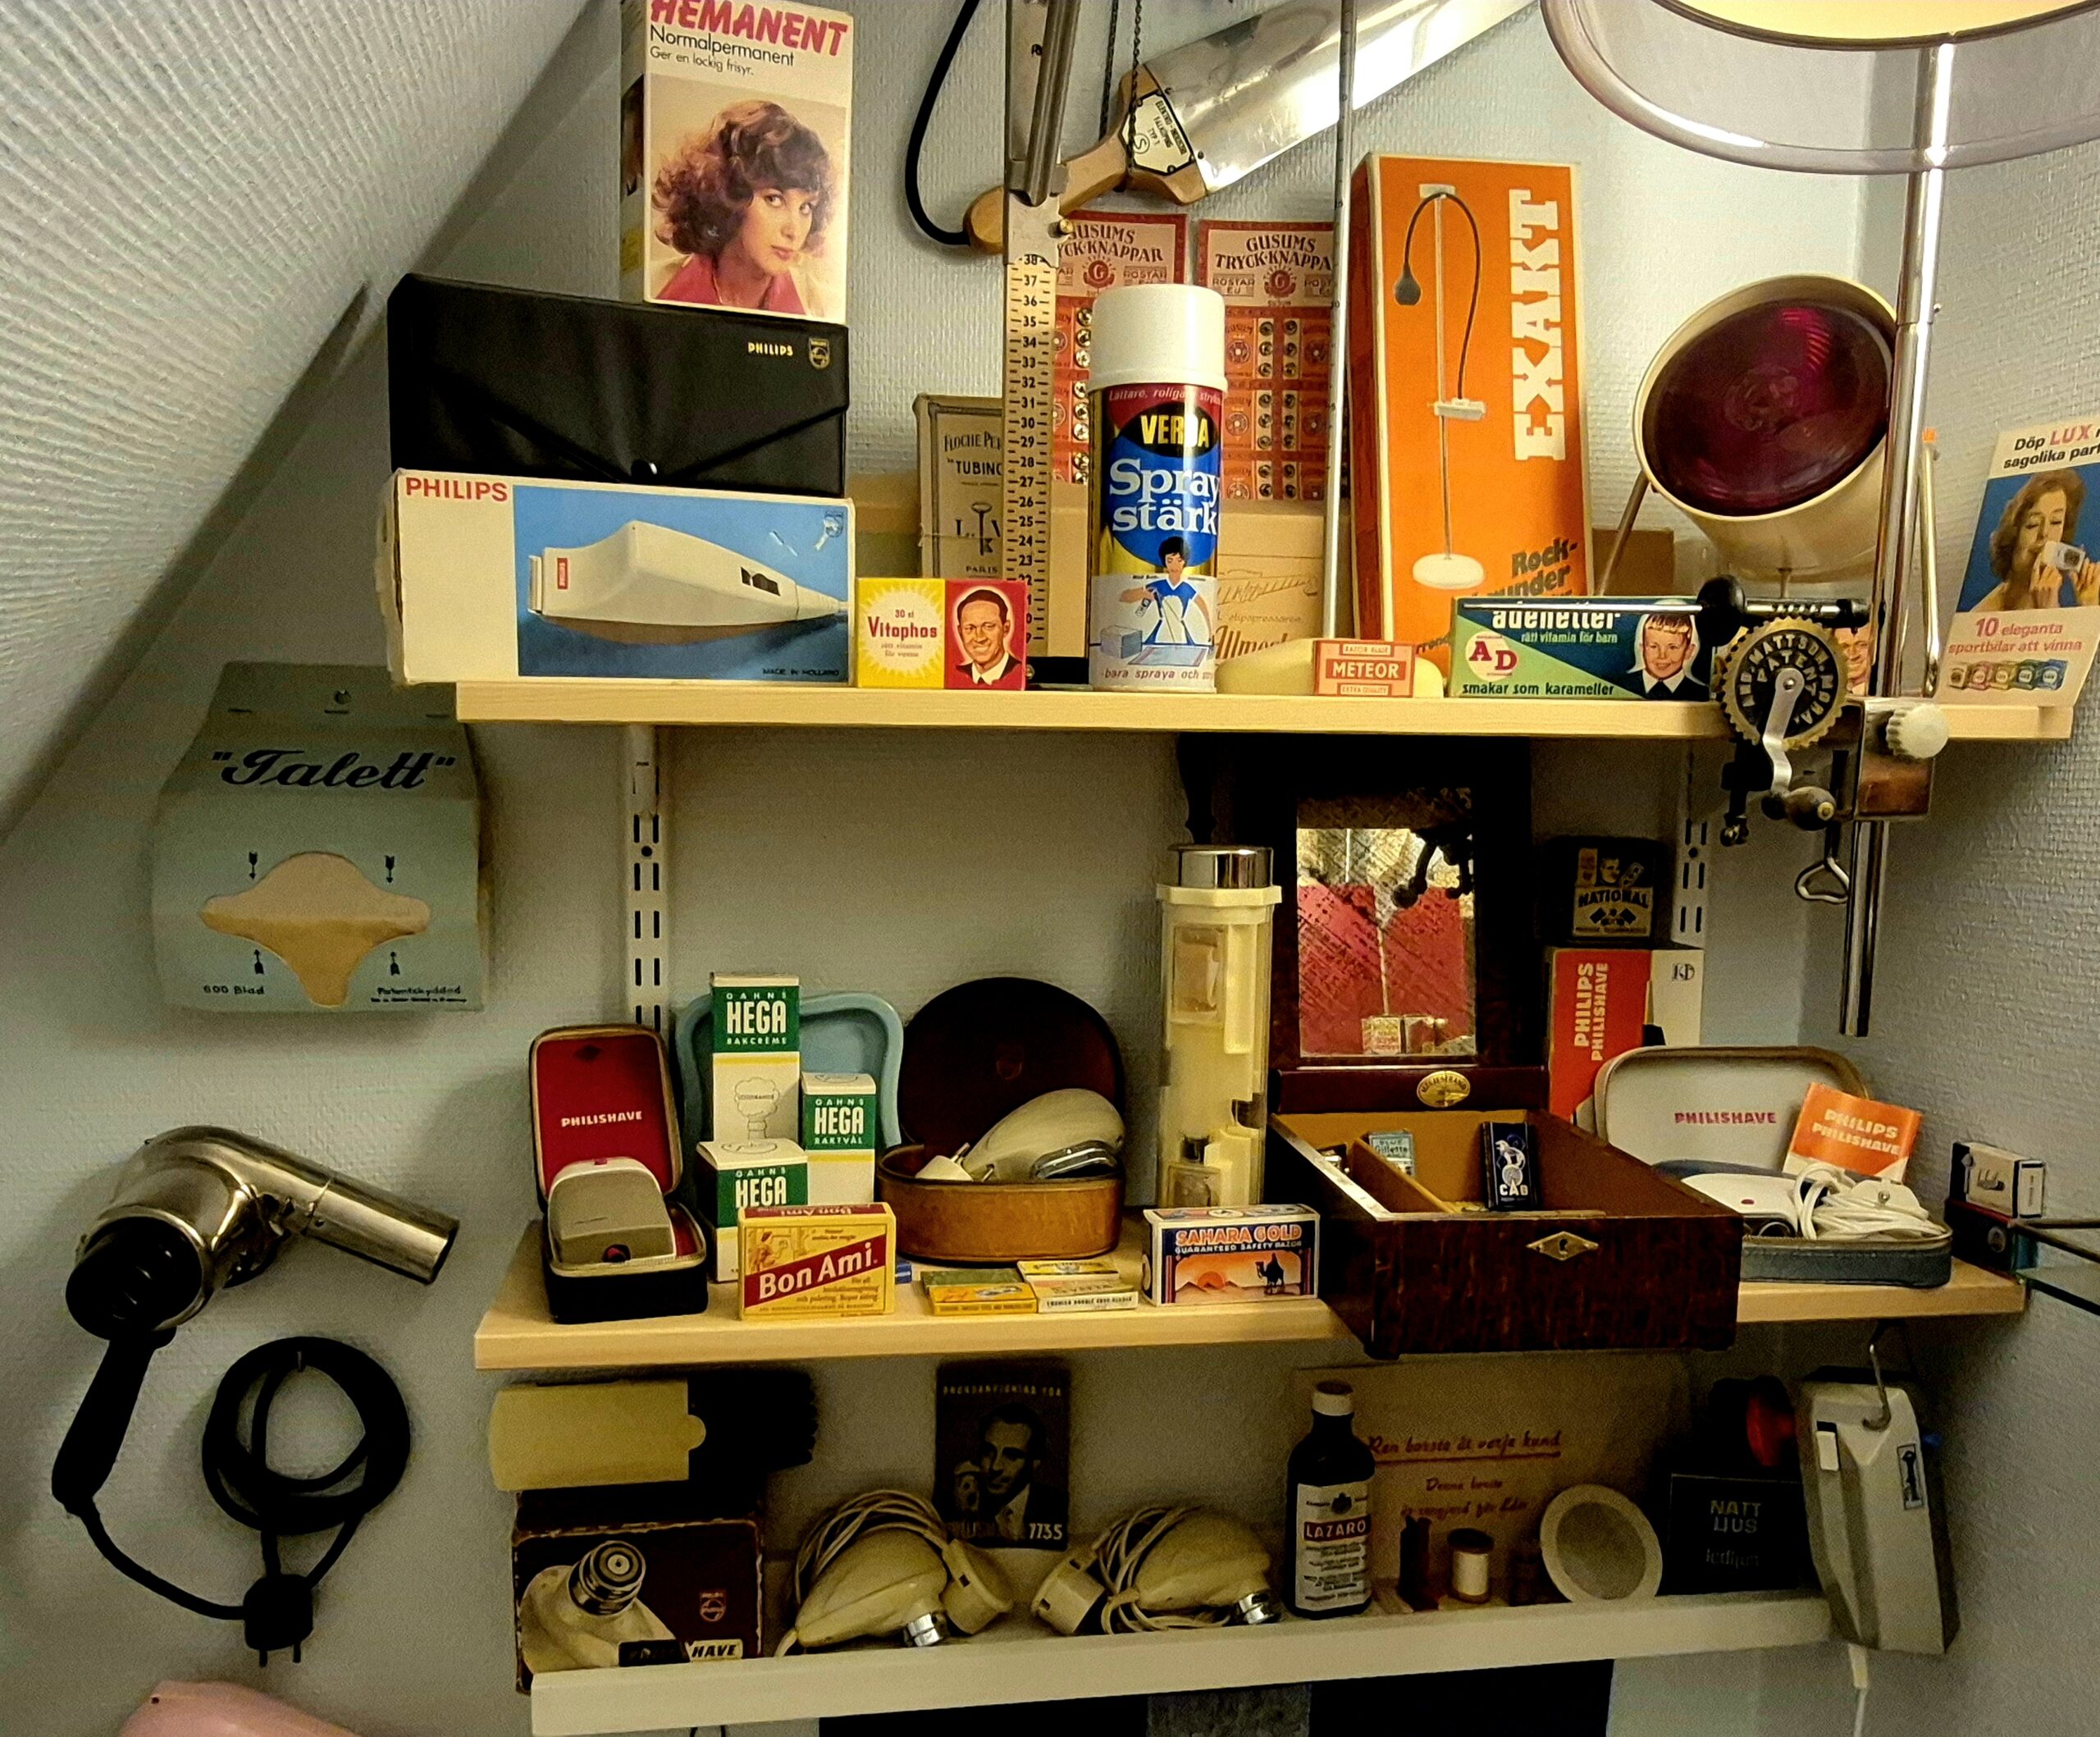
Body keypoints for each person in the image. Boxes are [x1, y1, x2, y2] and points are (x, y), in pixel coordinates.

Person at [651, 100, 833, 315]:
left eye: (806, 207)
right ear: (729, 195)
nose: (793, 231)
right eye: (774, 199)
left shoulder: (822, 307)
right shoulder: (656, 287)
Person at [1971, 469, 2100, 610]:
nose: (2045, 533)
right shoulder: (1985, 614)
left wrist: (2090, 606)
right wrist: (2047, 612)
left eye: (2056, 522)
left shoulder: (2061, 593)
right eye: (2033, 524)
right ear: (2013, 535)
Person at [974, 1404, 1065, 1544]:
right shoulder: (964, 1506)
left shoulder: (1060, 1508)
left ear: (1035, 1462)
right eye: (988, 1452)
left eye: (1012, 1456)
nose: (995, 1466)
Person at [1120, 537, 1214, 647]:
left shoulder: (1186, 588)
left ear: (1185, 562)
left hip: (1180, 633)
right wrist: (1143, 594)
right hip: (1161, 631)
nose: (1174, 565)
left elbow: (1203, 606)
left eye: (1179, 560)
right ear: (1164, 562)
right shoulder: (1158, 585)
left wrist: (1210, 630)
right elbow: (1124, 597)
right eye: (1170, 560)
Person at [1629, 611, 1705, 699]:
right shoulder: (1622, 686)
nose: (1662, 656)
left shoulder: (1700, 693)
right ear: (1642, 648)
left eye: (1673, 647)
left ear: (1689, 651)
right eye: (1653, 646)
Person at [952, 587, 1020, 684]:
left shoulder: (1019, 671)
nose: (979, 638)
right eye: (970, 628)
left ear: (1006, 628)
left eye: (989, 626)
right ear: (960, 633)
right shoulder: (955, 675)